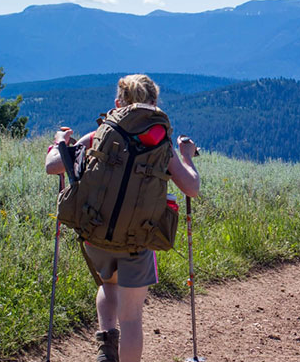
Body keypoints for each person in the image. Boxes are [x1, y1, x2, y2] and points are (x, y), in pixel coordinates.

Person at [45, 74, 200, 362]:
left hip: (95, 232)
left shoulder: (101, 134)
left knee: (108, 284)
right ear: (154, 104)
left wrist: (59, 143)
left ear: (118, 102)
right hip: (138, 240)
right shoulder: (161, 144)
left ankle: (106, 347)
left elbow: (53, 166)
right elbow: (191, 187)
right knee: (131, 318)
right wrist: (187, 156)